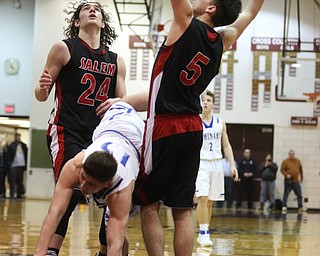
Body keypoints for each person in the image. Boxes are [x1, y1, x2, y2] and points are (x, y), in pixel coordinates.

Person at [129, 1, 265, 255]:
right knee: (182, 211)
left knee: (149, 205)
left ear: (211, 8)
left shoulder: (184, 22)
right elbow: (250, 12)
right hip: (193, 127)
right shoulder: (223, 40)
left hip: (164, 125)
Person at [34, 2, 126, 255]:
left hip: (99, 136)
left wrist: (119, 101)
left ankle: (105, 250)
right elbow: (41, 96)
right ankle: (51, 250)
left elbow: (123, 103)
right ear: (77, 21)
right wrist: (42, 89)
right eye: (86, 8)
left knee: (112, 194)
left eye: (97, 8)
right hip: (66, 129)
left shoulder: (116, 61)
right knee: (72, 190)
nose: (93, 10)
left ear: (103, 23)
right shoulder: (64, 48)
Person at [34, 102, 144, 256]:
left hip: (136, 135)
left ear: (107, 183)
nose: (83, 186)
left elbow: (115, 244)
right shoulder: (75, 166)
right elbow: (55, 212)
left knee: (114, 232)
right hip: (108, 124)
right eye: (83, 178)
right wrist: (39, 252)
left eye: (91, 184)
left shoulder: (121, 189)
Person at [195, 90, 238, 246]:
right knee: (202, 197)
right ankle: (203, 232)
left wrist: (232, 165)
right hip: (200, 163)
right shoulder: (195, 121)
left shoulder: (220, 123)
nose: (205, 103)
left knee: (210, 201)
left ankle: (204, 231)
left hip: (216, 163)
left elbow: (226, 145)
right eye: (203, 100)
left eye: (208, 100)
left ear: (213, 104)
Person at [7, 133, 28, 199]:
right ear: (15, 137)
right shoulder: (12, 145)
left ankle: (19, 195)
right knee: (12, 181)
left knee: (20, 181)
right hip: (14, 166)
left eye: (19, 136)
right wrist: (10, 165)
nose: (18, 138)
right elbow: (9, 156)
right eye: (17, 137)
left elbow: (26, 155)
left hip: (21, 166)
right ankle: (12, 195)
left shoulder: (23, 145)